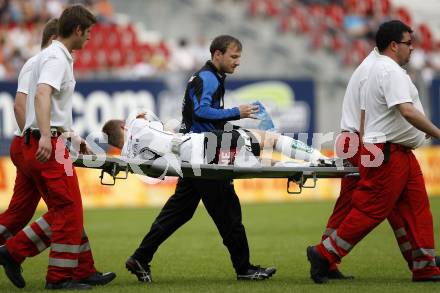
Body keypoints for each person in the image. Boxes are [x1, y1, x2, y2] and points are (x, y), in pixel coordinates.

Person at [122, 35, 278, 283]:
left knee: (179, 212)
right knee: (228, 211)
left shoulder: (209, 77)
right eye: (233, 56)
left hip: (193, 152)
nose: (238, 62)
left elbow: (200, 114)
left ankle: (140, 257)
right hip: (204, 153)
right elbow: (201, 111)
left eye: (239, 57)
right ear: (217, 55)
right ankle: (245, 269)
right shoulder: (208, 78)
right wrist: (237, 111)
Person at [307, 20, 440, 283]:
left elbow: (373, 112)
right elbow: (402, 110)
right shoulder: (386, 71)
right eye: (408, 44)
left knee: (412, 206)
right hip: (380, 147)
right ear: (393, 45)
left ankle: (425, 265)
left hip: (382, 146)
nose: (412, 49)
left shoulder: (373, 67)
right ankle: (324, 254)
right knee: (371, 208)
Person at [0, 18, 116, 288]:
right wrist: (39, 136)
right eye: (87, 33)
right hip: (45, 144)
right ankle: (20, 255)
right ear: (72, 31)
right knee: (68, 210)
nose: (88, 39)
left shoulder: (42, 60)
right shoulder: (53, 59)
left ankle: (83, 269)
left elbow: (43, 109)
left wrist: (68, 137)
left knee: (48, 210)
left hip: (38, 141)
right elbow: (32, 101)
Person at [101, 112, 330, 167]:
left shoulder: (129, 159)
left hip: (197, 165)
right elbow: (151, 118)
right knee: (268, 139)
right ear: (123, 126)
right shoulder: (138, 125)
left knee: (259, 163)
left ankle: (308, 165)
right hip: (200, 143)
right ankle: (318, 159)